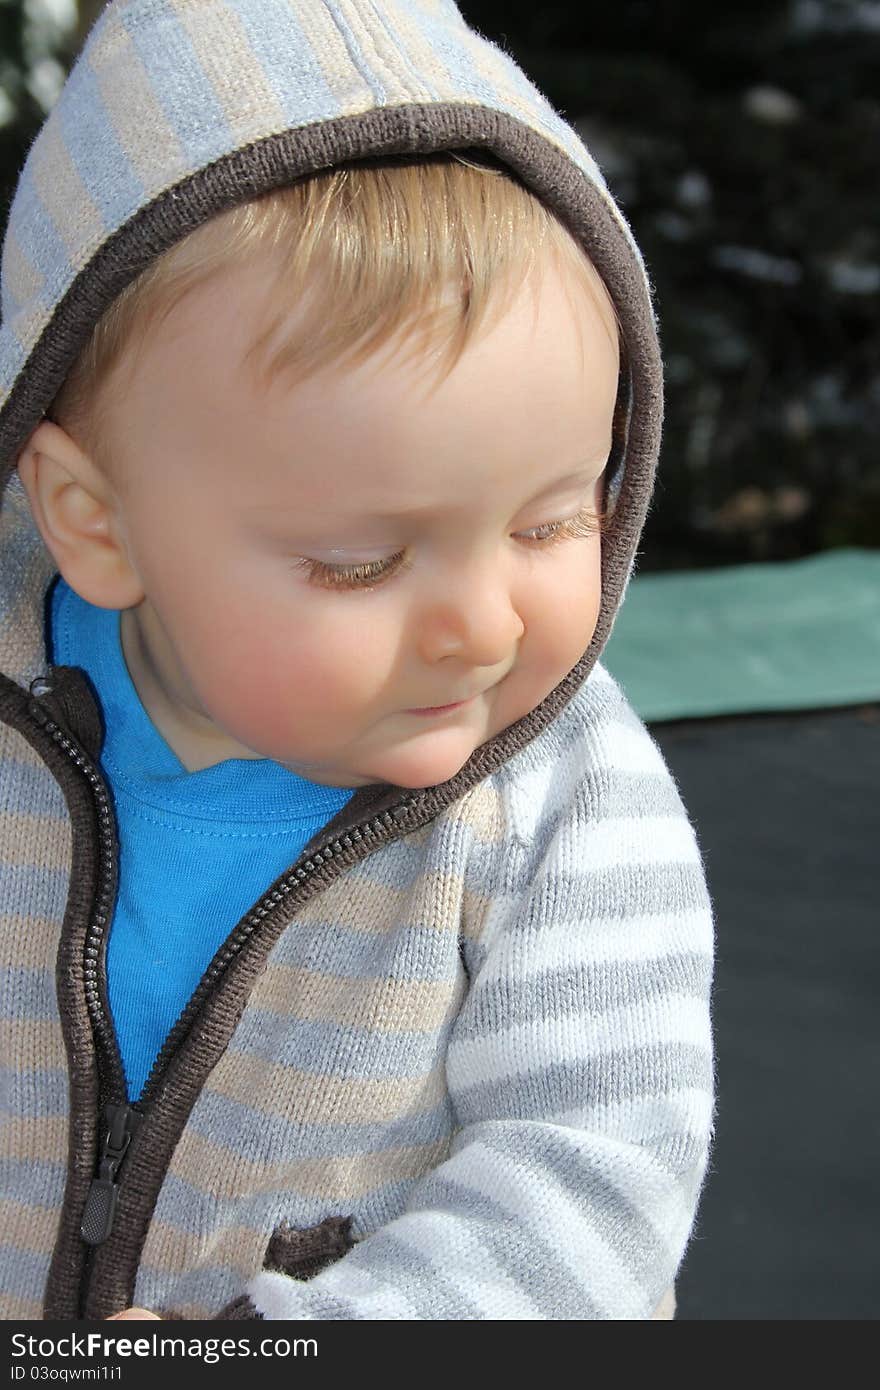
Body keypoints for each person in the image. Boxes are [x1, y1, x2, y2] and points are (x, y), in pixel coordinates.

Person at [0, 0, 715, 1321]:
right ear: (96, 523)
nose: (487, 627)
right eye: (361, 562)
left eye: (555, 517)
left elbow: (597, 1184)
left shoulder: (562, 798)